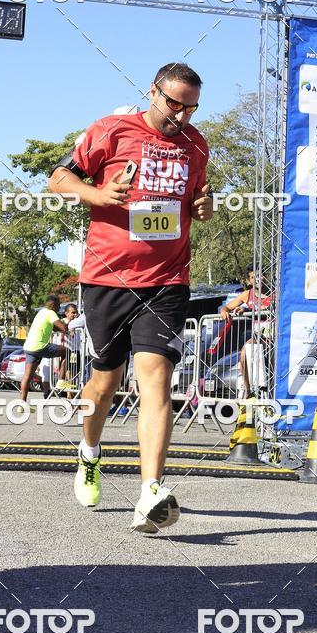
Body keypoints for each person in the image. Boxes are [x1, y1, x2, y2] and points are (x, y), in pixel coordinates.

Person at [49, 62, 212, 532]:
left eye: (191, 107)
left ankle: (150, 492)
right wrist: (97, 194)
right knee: (105, 381)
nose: (181, 115)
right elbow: (59, 179)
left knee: (156, 378)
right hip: (108, 277)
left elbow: (197, 198)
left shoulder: (197, 144)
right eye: (174, 103)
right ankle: (89, 452)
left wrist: (204, 205)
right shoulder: (112, 130)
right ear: (153, 92)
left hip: (167, 280)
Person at [219, 267, 272, 396]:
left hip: (275, 336)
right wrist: (224, 311)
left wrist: (247, 310)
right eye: (253, 277)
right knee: (244, 353)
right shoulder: (247, 294)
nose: (257, 279)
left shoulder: (275, 292)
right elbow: (226, 307)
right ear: (249, 281)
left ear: (265, 277)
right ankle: (248, 391)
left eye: (260, 276)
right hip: (258, 336)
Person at [21, 295, 68, 403]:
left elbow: (54, 327)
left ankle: (21, 404)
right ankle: (61, 380)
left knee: (27, 376)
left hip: (29, 347)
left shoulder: (41, 312)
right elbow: (63, 328)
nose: (59, 308)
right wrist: (69, 328)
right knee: (66, 351)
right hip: (40, 346)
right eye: (58, 305)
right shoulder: (51, 313)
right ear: (53, 305)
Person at [44, 302, 80, 394]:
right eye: (73, 312)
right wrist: (66, 331)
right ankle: (64, 387)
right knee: (69, 373)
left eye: (76, 312)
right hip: (65, 350)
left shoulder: (78, 322)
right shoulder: (62, 322)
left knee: (74, 375)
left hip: (76, 351)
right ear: (66, 313)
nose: (75, 314)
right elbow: (55, 328)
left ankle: (70, 394)